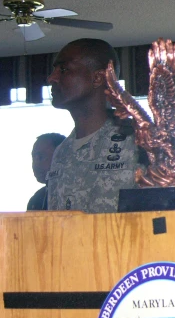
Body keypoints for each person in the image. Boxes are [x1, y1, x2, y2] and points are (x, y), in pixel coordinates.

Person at [46, 38, 140, 213]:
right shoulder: (61, 152)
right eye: (54, 70)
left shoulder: (139, 141)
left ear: (97, 78)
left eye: (64, 69)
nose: (52, 78)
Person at [27, 132, 66, 210]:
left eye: (40, 157)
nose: (35, 164)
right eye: (34, 157)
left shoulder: (74, 191)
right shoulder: (36, 199)